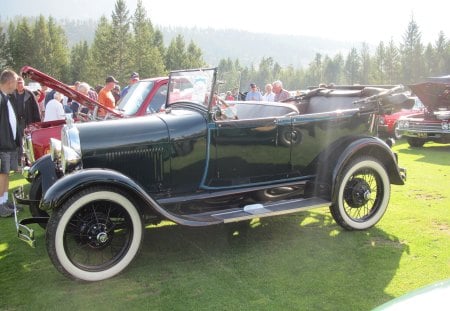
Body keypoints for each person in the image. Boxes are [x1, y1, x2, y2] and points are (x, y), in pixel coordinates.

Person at [0, 69, 20, 217]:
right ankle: (1, 205)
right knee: (2, 174)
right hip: (3, 144)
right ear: (9, 82)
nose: (17, 84)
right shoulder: (1, 98)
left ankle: (5, 201)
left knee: (6, 173)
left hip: (8, 143)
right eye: (15, 81)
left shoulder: (5, 97)